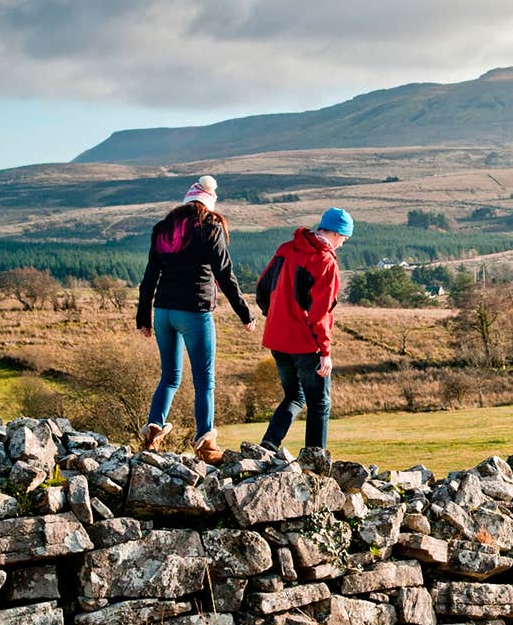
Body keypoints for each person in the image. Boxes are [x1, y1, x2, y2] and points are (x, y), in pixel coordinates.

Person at [135, 175, 256, 463]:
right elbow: (225, 275)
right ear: (209, 203)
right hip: (195, 311)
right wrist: (245, 313)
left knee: (170, 377)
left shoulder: (163, 229)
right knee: (204, 381)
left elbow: (149, 277)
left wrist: (143, 318)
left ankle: (153, 431)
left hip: (163, 311)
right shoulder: (210, 227)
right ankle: (205, 446)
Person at [255, 207, 352, 451]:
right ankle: (314, 460)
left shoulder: (286, 249)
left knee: (294, 396)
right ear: (336, 233)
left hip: (277, 338)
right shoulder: (325, 261)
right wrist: (325, 352)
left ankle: (268, 444)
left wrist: (276, 317)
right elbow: (321, 313)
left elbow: (262, 287)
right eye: (344, 238)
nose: (343, 243)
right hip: (305, 343)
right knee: (319, 403)